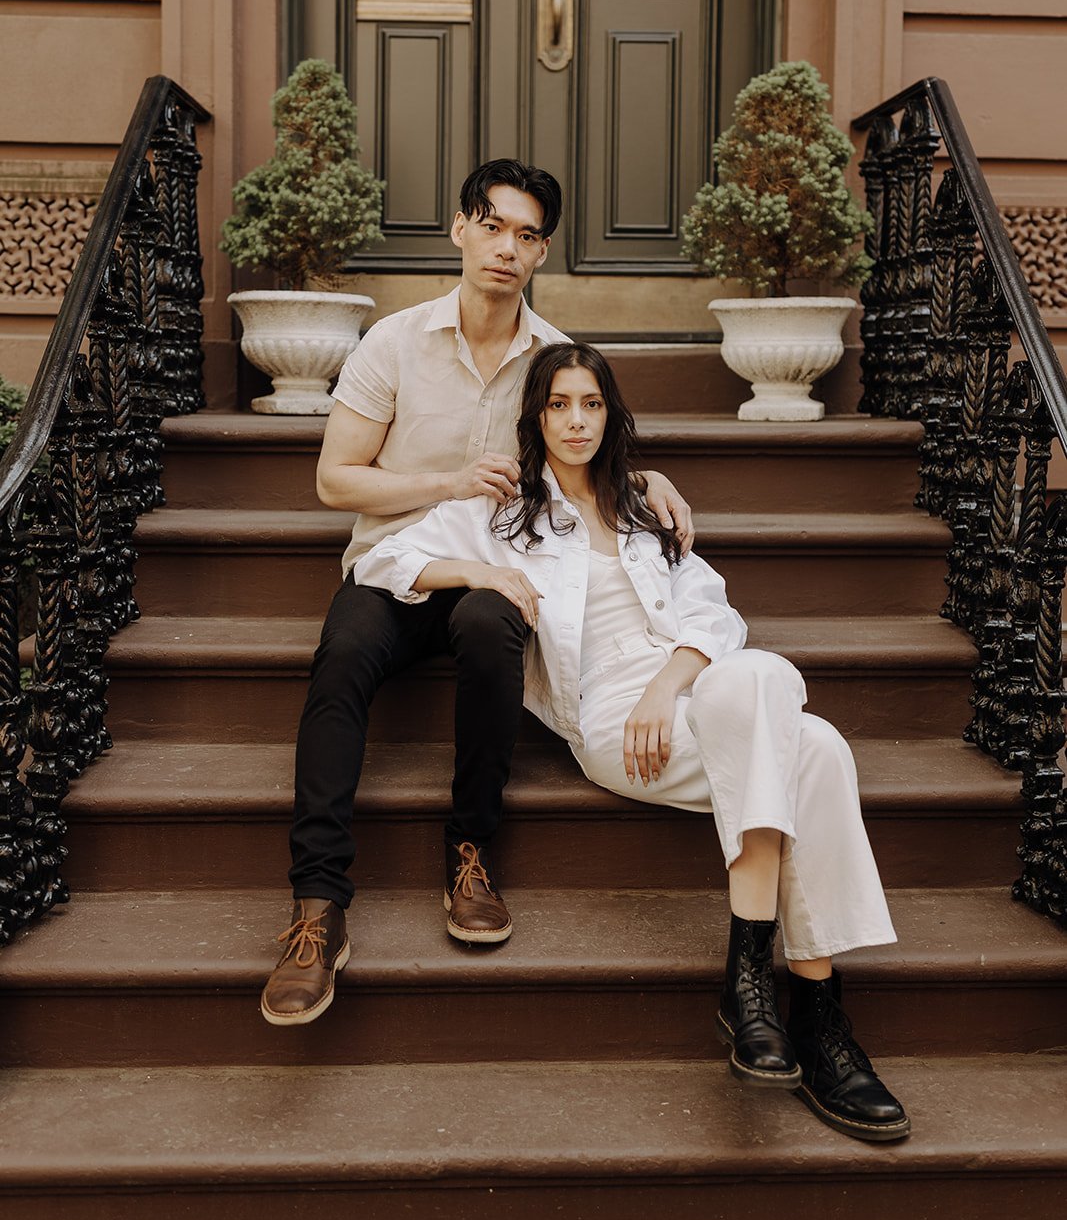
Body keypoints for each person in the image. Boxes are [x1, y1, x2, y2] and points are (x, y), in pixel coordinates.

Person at [350, 341, 911, 1144]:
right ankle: (812, 1017)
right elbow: (383, 559)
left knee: (795, 720)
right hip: (611, 722)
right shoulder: (505, 514)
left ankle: (775, 997)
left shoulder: (645, 509)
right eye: (558, 405)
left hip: (681, 691)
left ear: (610, 416)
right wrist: (478, 576)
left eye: (590, 405)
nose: (575, 421)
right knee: (810, 742)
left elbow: (715, 615)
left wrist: (667, 683)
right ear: (535, 417)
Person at [260, 161, 693, 1027]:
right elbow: (335, 482)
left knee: (498, 622)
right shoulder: (393, 341)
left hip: (491, 573)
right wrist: (448, 482)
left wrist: (641, 472)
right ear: (459, 230)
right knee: (342, 656)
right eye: (491, 226)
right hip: (395, 563)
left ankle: (469, 852)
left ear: (540, 253)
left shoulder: (551, 354)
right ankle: (317, 904)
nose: (507, 247)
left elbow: (581, 447)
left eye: (527, 235)